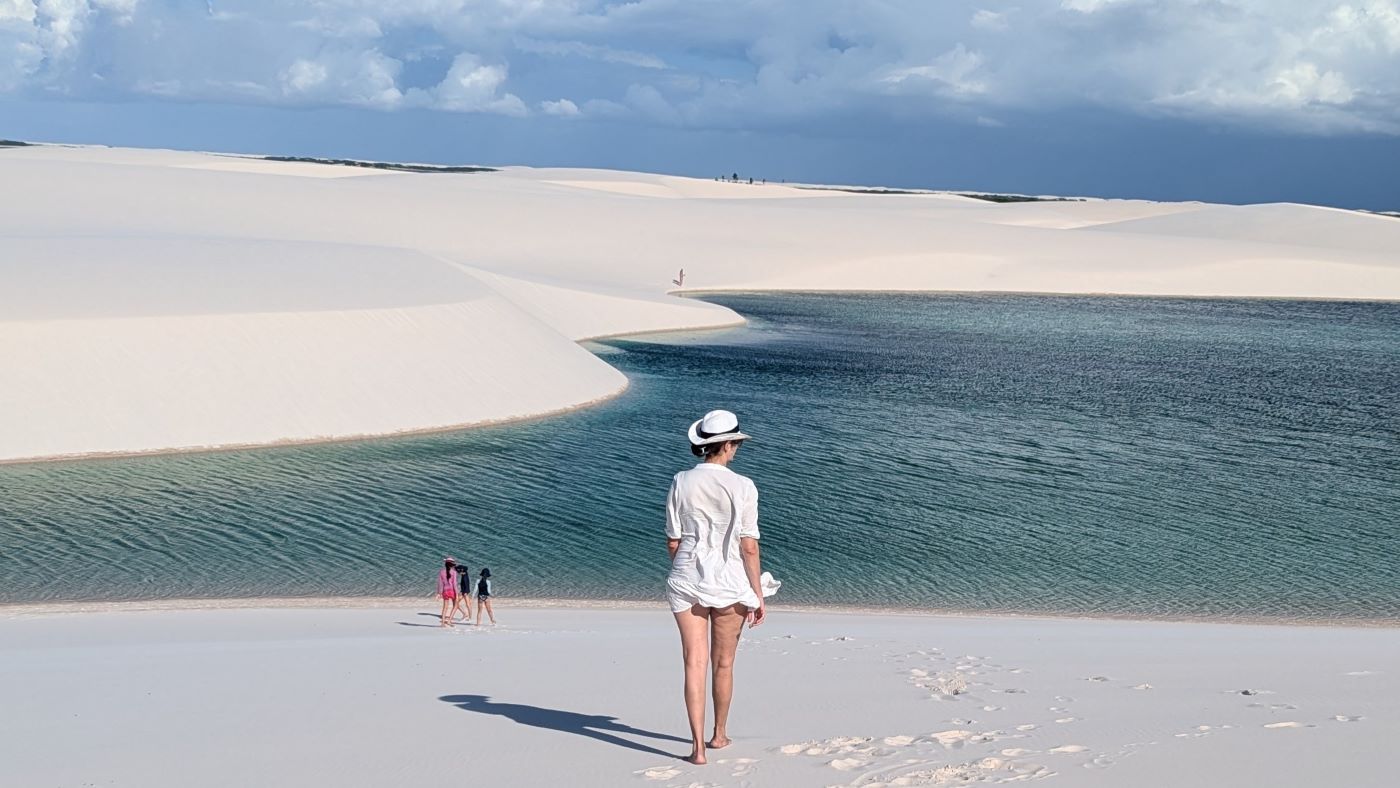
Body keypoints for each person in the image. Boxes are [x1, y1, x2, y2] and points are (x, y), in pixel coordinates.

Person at [666, 409, 768, 765]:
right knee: (723, 664)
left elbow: (673, 542)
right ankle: (719, 735)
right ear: (726, 445)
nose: (737, 448)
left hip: (686, 579)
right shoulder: (743, 486)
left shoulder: (680, 480)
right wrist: (756, 595)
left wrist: (689, 571)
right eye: (736, 443)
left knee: (694, 663)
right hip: (729, 583)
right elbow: (749, 546)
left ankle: (696, 750)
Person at [437, 558, 459, 628]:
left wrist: (439, 593)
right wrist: (457, 593)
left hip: (445, 591)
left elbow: (440, 584)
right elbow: (455, 584)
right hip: (452, 591)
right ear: (452, 565)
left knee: (445, 607)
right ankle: (449, 620)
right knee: (455, 605)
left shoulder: (441, 572)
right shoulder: (454, 572)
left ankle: (443, 623)